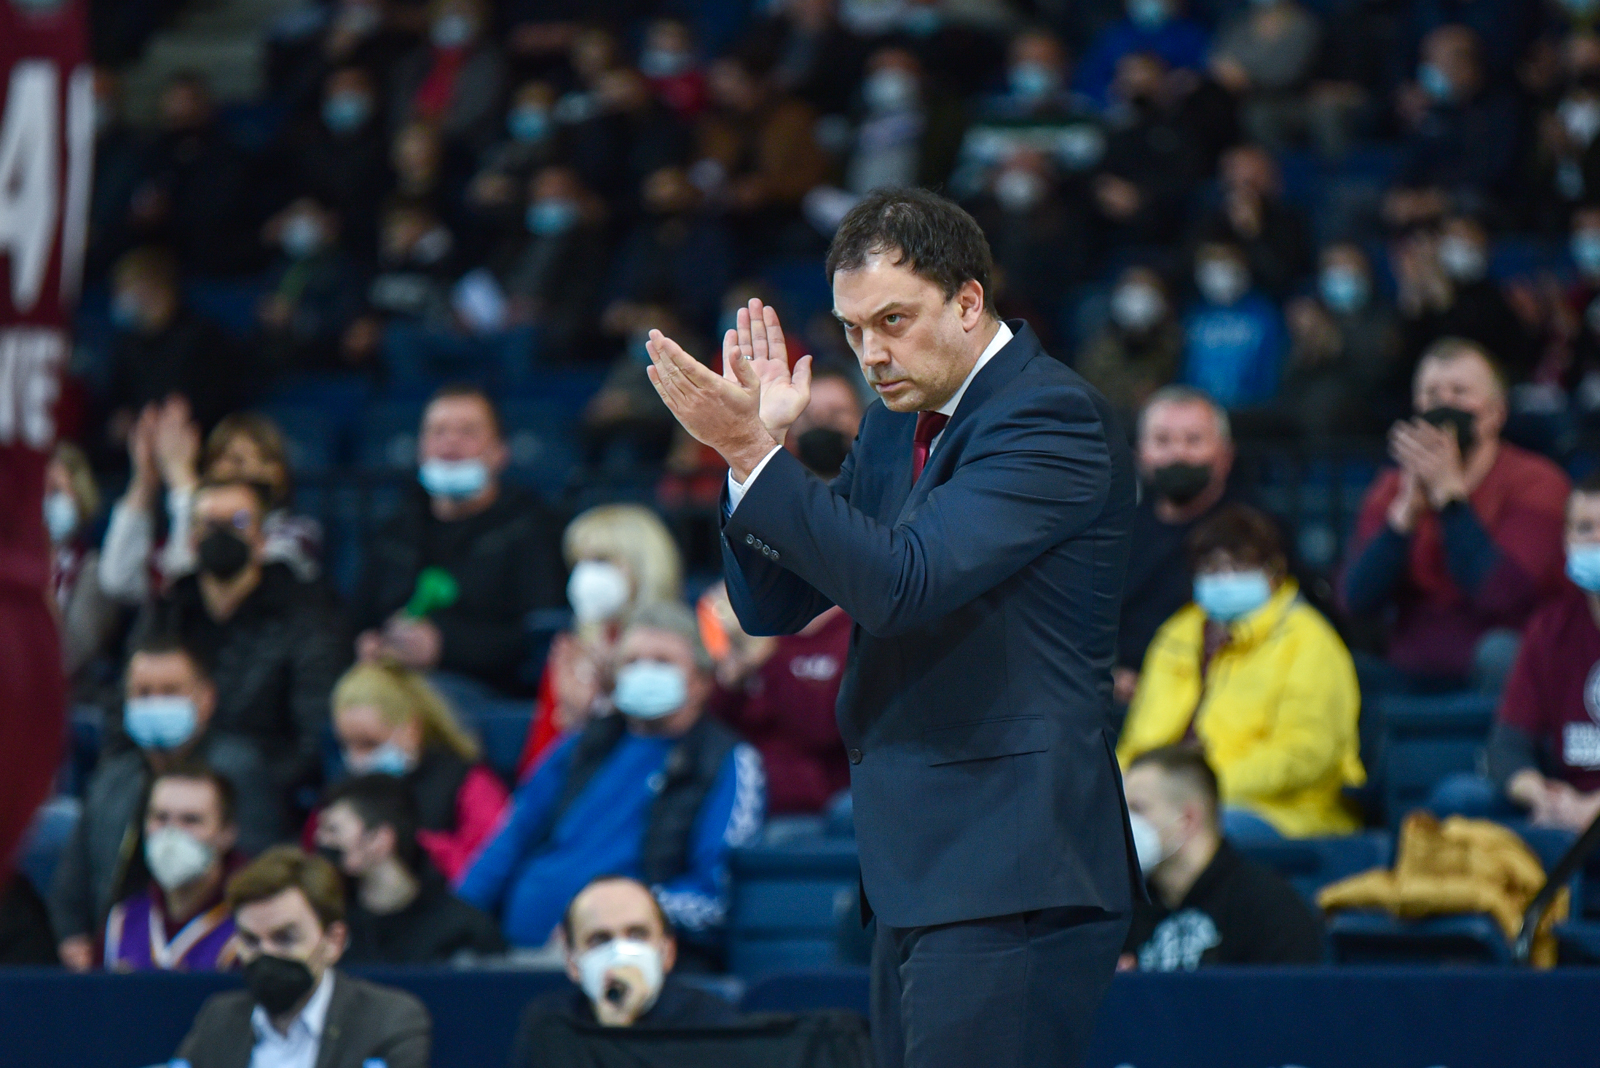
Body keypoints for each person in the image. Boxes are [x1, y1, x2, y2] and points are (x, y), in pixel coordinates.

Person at [643, 187, 1139, 1068]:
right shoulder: (891, 425)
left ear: (969, 301)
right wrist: (755, 461)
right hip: (922, 864)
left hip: (1014, 864)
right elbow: (773, 606)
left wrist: (753, 456)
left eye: (894, 320)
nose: (871, 353)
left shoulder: (1050, 416)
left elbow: (904, 585)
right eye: (853, 329)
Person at [457, 603, 766, 956]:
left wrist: (612, 922)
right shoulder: (582, 745)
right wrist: (458, 916)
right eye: (631, 662)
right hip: (513, 951)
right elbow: (512, 837)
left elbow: (715, 894)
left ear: (701, 681)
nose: (644, 672)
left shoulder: (726, 760)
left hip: (625, 957)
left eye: (662, 662)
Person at [1119, 505, 1365, 840]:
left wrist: (1199, 788)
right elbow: (1138, 739)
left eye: (1238, 567)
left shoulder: (1309, 639)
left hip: (1280, 812)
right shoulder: (1177, 633)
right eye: (1211, 568)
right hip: (1168, 798)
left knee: (1192, 833)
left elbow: (1306, 756)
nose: (1224, 579)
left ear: (1273, 572)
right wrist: (1122, 787)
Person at [1342, 338, 1571, 690]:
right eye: (1431, 394)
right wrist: (1403, 518)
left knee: (1500, 654)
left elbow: (1506, 597)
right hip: (1409, 668)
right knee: (1337, 667)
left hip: (1501, 668)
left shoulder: (1538, 482)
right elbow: (1355, 601)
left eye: (1459, 392)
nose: (1444, 404)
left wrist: (1451, 501)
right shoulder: (1392, 487)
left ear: (1495, 414)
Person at [50, 637, 282, 971]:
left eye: (170, 691)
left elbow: (261, 871)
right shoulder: (112, 779)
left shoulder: (238, 769)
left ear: (206, 698)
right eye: (143, 693)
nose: (155, 703)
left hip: (214, 946)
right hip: (121, 949)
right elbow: (73, 880)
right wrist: (73, 939)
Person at [136, 479, 346, 799]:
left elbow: (312, 741)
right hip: (163, 782)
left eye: (238, 522)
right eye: (210, 524)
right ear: (191, 539)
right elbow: (125, 704)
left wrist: (238, 790)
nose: (222, 534)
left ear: (262, 538)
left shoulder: (306, 616)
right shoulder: (168, 611)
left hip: (259, 793)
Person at [354, 384, 565, 699]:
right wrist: (368, 643)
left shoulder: (533, 529)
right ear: (420, 449)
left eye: (468, 432)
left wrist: (444, 646)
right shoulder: (394, 530)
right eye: (438, 431)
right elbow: (358, 618)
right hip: (391, 687)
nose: (450, 442)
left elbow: (539, 640)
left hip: (489, 695)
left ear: (500, 452)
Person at [1429, 474, 1600, 830]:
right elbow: (1508, 745)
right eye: (1585, 528)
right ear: (1566, 541)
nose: (1596, 540)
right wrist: (1542, 795)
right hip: (1563, 808)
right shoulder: (1550, 629)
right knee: (1457, 798)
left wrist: (1591, 809)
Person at [173, 847, 431, 1068]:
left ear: (333, 941)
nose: (266, 953)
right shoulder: (219, 1019)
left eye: (284, 938)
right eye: (251, 941)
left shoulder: (387, 1019)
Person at [1120, 745, 1324, 970]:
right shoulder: (1124, 910)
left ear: (1188, 819)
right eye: (1121, 809)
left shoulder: (1270, 908)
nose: (1123, 823)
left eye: (1137, 808)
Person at [517, 504, 685, 776]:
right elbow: (538, 768)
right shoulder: (571, 656)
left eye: (601, 561)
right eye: (579, 562)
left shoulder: (679, 653)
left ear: (644, 566)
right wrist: (573, 718)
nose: (586, 575)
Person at [101, 404, 323, 603]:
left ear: (281, 475)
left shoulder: (297, 534)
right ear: (210, 469)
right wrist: (144, 479)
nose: (248, 470)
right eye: (234, 459)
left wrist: (182, 482)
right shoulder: (180, 531)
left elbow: (195, 585)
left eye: (264, 459)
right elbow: (119, 582)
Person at [509, 875, 740, 1056]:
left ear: (668, 952)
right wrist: (614, 1026)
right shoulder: (551, 1026)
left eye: (637, 935)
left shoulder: (711, 1023)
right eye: (600, 939)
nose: (620, 953)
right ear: (572, 962)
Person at [331, 662, 508, 881]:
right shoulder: (342, 789)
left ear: (410, 729)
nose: (356, 759)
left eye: (370, 744)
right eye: (346, 745)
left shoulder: (468, 781)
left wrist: (414, 847)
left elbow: (491, 867)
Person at [1114, 387, 1235, 706]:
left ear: (1225, 455)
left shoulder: (1252, 532)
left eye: (1193, 440)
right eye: (1162, 441)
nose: (1178, 454)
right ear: (1140, 454)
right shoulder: (1116, 531)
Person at [315, 774, 504, 964]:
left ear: (379, 839)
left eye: (333, 830)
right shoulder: (326, 921)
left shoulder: (460, 928)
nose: (320, 839)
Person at [703, 581, 852, 816]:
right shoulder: (749, 628)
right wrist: (732, 678)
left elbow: (822, 731)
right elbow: (714, 729)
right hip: (743, 799)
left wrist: (768, 658)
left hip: (818, 809)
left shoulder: (851, 631)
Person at [103, 765, 242, 972]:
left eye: (190, 820)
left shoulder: (252, 925)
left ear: (227, 834)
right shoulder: (123, 922)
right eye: (160, 818)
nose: (171, 833)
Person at [1282, 242, 1406, 437]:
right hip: (1305, 429)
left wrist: (1338, 345)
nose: (1341, 275)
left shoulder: (1386, 320)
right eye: (1333, 267)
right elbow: (1288, 387)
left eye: (1348, 266)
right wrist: (1305, 352)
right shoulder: (1312, 321)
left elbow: (1381, 377)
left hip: (1363, 427)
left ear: (1367, 273)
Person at [45, 443, 118, 696]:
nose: (44, 501)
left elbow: (72, 655)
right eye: (38, 491)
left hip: (71, 696)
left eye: (56, 491)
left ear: (79, 495)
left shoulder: (95, 569)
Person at [1181, 240, 1287, 411]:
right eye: (1209, 263)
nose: (1216, 271)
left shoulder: (1264, 312)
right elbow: (1185, 367)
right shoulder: (1194, 314)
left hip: (1252, 411)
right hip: (1199, 410)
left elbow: (1272, 364)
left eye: (1223, 261)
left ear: (1242, 266)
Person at [1075, 267, 1184, 426]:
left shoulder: (1173, 342)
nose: (1138, 300)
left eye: (1146, 291)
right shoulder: (1099, 343)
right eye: (1132, 288)